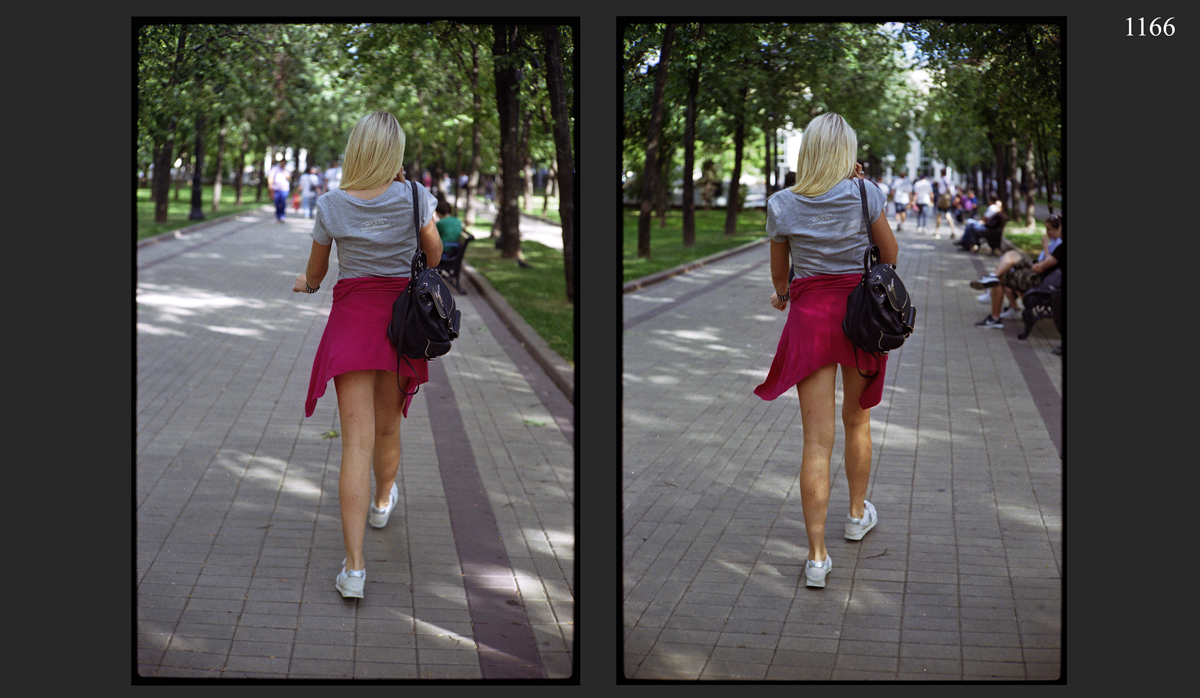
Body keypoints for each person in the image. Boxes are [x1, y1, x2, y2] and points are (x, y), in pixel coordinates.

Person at [292, 111, 442, 600]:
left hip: (352, 325)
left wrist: (305, 284)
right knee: (388, 429)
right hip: (403, 325)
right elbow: (435, 256)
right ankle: (381, 503)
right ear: (394, 153)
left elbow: (317, 274)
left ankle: (354, 569)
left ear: (356, 150)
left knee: (354, 445)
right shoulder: (415, 197)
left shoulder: (331, 204)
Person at [753, 113, 898, 589]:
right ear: (847, 153)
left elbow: (781, 276)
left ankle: (816, 557)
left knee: (816, 441)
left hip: (810, 322)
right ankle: (856, 516)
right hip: (862, 320)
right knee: (857, 422)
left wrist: (783, 295)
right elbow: (890, 255)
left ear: (808, 152)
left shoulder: (782, 203)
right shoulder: (866, 193)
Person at [971, 214, 1064, 328]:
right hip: (1043, 277)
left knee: (1000, 279)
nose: (1047, 232)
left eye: (1050, 229)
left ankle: (995, 318)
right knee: (1011, 254)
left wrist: (1044, 248)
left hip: (1040, 280)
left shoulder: (1061, 248)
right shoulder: (1059, 245)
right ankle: (993, 277)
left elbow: (1041, 267)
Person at [935, 169, 956, 238]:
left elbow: (940, 191)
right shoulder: (950, 181)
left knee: (939, 215)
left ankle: (937, 231)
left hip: (942, 199)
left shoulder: (940, 181)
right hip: (948, 200)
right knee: (948, 215)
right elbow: (953, 192)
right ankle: (953, 230)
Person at [269, 159, 290, 223]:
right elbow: (271, 177)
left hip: (284, 189)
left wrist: (284, 170)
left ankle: (282, 216)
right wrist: (270, 186)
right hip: (276, 189)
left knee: (283, 202)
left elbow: (288, 178)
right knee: (277, 203)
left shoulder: (287, 169)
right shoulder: (275, 169)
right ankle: (278, 216)